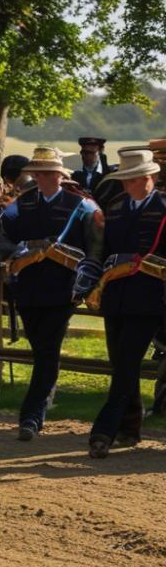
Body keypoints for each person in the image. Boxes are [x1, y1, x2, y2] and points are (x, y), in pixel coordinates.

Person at [0, 146, 103, 440]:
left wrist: (86, 283)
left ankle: (31, 416)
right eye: (38, 172)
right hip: (27, 288)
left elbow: (95, 247)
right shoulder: (22, 204)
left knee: (47, 352)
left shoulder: (81, 206)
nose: (43, 177)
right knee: (41, 348)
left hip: (63, 289)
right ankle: (37, 409)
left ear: (59, 174)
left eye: (48, 172)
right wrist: (16, 253)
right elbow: (2, 237)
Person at [87, 149, 166, 458]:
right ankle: (130, 428)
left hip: (149, 300)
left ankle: (103, 431)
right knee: (120, 363)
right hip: (116, 297)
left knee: (126, 363)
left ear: (150, 178)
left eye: (132, 179)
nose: (126, 185)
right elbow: (102, 251)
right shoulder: (115, 209)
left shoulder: (163, 209)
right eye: (124, 179)